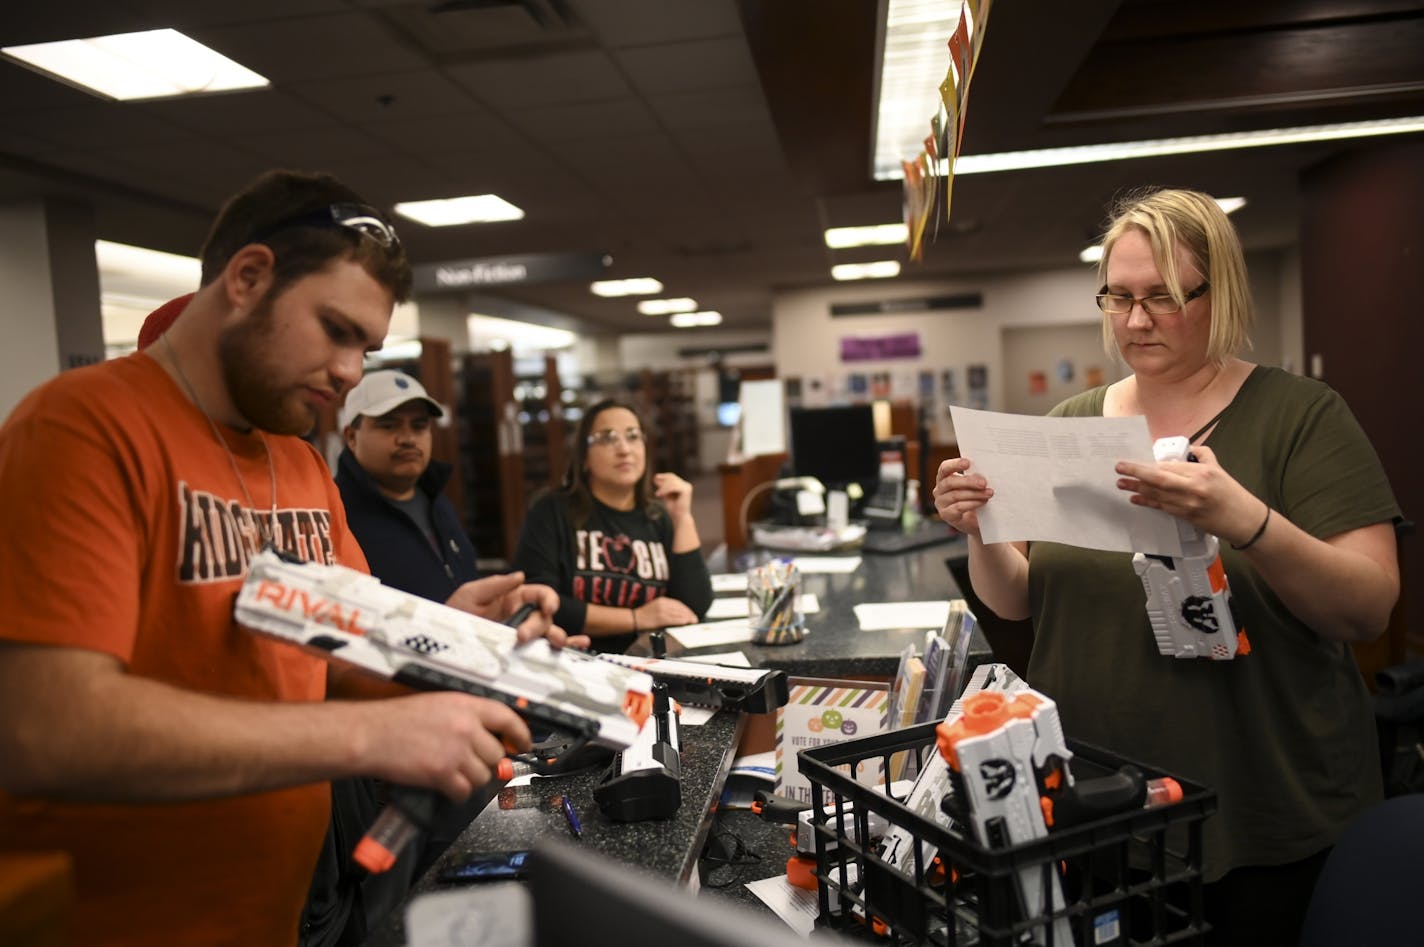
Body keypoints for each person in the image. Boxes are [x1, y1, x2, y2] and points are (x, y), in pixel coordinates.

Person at [0, 169, 568, 947]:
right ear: (249, 276)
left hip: (280, 909)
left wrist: (463, 643)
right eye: (336, 329)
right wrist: (374, 737)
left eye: (365, 345)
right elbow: (47, 727)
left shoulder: (296, 461)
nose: (349, 371)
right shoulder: (81, 427)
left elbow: (334, 651)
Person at [933, 187, 1400, 946]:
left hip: (1261, 812)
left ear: (1221, 293)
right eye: (1119, 296)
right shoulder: (1069, 428)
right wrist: (979, 527)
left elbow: (1369, 606)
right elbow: (1020, 603)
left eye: (1165, 296)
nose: (1137, 320)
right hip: (1097, 808)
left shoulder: (1300, 417)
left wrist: (1241, 517)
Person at [513, 398, 714, 652]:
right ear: (583, 457)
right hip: (576, 657)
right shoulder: (551, 511)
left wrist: (683, 518)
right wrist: (636, 618)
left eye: (633, 436)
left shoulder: (657, 517)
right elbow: (538, 599)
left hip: (649, 662)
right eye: (607, 438)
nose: (624, 449)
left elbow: (693, 607)